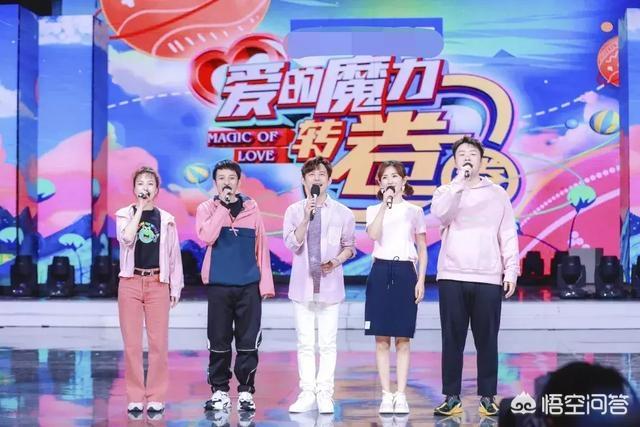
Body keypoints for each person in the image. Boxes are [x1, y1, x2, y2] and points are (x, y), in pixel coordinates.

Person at [431, 136, 519, 417]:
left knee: (487, 340)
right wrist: (458, 184)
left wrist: (511, 269)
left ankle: (488, 397)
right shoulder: (446, 191)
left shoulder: (497, 194)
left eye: (472, 154)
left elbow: (507, 232)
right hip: (452, 274)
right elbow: (441, 216)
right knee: (452, 339)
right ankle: (452, 397)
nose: (467, 158)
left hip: (488, 275)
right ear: (455, 161)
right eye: (462, 154)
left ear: (482, 160)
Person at [196, 159, 275, 414]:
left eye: (231, 178)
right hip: (219, 286)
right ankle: (219, 391)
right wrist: (223, 208)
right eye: (221, 178)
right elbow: (207, 236)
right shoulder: (206, 208)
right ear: (215, 182)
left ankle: (245, 391)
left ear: (239, 182)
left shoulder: (252, 208)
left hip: (248, 286)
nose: (226, 183)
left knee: (248, 342)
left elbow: (261, 246)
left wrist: (265, 285)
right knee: (218, 341)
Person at [283, 156, 356, 414]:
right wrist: (306, 217)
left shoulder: (343, 213)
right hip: (302, 286)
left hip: (329, 286)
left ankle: (325, 393)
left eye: (321, 174)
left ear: (329, 179)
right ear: (304, 181)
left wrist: (336, 261)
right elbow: (292, 244)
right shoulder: (294, 211)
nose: (317, 178)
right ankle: (307, 393)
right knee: (305, 343)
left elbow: (349, 247)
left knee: (327, 343)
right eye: (312, 174)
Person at [115, 166, 184, 415]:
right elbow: (126, 239)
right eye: (141, 183)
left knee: (158, 344)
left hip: (157, 283)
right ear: (134, 188)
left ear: (157, 189)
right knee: (132, 345)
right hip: (130, 283)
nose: (145, 187)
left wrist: (175, 286)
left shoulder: (166, 219)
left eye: (150, 183)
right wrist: (139, 211)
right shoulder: (124, 214)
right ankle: (135, 396)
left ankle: (156, 396)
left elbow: (174, 255)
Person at [364, 160, 427, 415]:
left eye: (394, 176)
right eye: (385, 177)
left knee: (403, 339)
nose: (390, 180)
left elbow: (422, 247)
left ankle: (401, 395)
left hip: (405, 271)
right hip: (380, 271)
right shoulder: (373, 209)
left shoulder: (414, 211)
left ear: (404, 180)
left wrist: (421, 279)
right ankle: (386, 394)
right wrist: (384, 205)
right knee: (381, 339)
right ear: (379, 183)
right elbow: (373, 235)